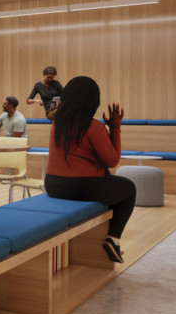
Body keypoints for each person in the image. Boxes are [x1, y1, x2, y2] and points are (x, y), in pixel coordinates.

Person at [44, 76, 133, 264]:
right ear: (93, 101)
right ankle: (113, 238)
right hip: (81, 187)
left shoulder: (56, 123)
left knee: (109, 185)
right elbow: (112, 160)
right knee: (128, 188)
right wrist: (115, 128)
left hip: (53, 185)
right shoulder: (93, 126)